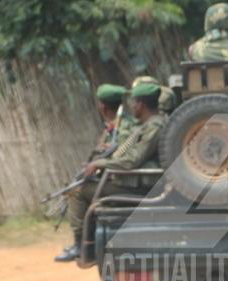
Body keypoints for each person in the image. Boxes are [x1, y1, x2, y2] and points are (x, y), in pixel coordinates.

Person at [55, 83, 167, 262]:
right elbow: (124, 151)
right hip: (132, 180)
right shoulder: (147, 126)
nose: (130, 106)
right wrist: (105, 157)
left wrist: (101, 163)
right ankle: (88, 243)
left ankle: (82, 246)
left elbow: (132, 160)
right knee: (85, 184)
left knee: (77, 192)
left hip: (139, 185)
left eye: (134, 102)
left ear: (140, 105)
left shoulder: (154, 127)